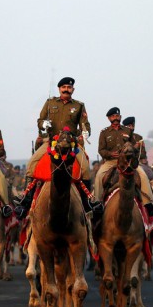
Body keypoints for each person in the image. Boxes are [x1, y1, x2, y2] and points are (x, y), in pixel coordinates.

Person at [18, 77, 98, 215]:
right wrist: (43, 124)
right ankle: (27, 199)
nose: (66, 89)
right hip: (52, 141)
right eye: (64, 87)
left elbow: (85, 123)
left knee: (84, 168)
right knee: (32, 163)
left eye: (69, 87)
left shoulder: (79, 105)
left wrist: (85, 132)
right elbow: (40, 120)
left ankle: (87, 202)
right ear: (60, 89)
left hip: (71, 143)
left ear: (73, 89)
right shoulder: (50, 103)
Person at [94, 107, 153, 216]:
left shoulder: (127, 131)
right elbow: (101, 150)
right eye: (113, 116)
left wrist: (135, 147)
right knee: (99, 176)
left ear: (120, 117)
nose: (115, 118)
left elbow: (134, 148)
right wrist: (110, 154)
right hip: (111, 161)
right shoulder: (104, 133)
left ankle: (150, 203)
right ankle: (97, 203)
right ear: (109, 118)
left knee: (142, 175)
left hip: (127, 161)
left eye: (117, 116)